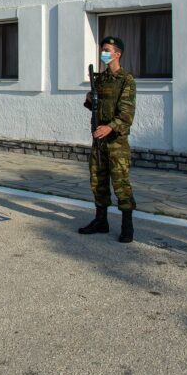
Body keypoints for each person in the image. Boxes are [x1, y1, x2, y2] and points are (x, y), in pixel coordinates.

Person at [78, 36, 137, 243]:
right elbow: (97, 107)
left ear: (117, 54)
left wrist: (110, 127)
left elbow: (127, 113)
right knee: (98, 181)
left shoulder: (126, 79)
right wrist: (88, 99)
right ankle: (101, 221)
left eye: (107, 50)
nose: (103, 53)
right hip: (99, 140)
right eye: (102, 49)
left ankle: (127, 226)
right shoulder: (100, 79)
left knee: (121, 183)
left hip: (116, 141)